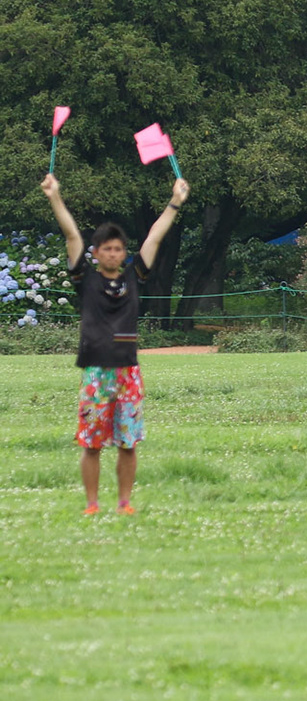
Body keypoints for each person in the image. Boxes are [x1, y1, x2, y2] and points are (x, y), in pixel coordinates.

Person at [40, 171, 190, 516]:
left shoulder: (134, 277)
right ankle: (92, 505)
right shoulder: (85, 279)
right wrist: (54, 196)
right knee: (91, 444)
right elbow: (71, 234)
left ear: (124, 253)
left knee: (128, 443)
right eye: (106, 249)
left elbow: (154, 237)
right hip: (96, 372)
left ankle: (124, 504)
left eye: (118, 249)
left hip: (128, 373)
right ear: (95, 253)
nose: (112, 253)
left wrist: (175, 202)